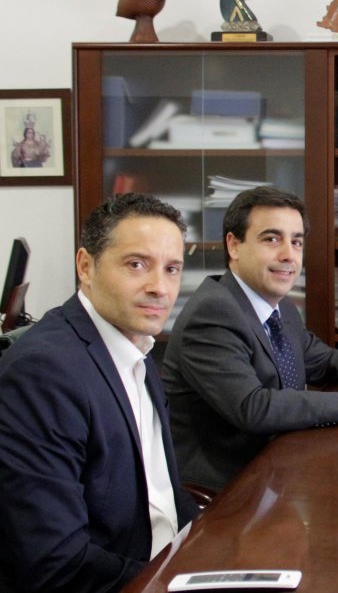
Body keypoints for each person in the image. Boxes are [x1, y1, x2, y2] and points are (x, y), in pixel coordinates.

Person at [162, 186, 338, 491]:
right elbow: (254, 408)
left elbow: (321, 359)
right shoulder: (213, 312)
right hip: (228, 493)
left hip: (279, 470)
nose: (288, 255)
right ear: (234, 245)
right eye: (271, 239)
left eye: (296, 242)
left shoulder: (278, 307)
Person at [0, 193, 199, 591]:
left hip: (170, 563)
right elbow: (56, 562)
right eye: (136, 264)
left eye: (172, 269)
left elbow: (165, 492)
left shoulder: (137, 348)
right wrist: (170, 585)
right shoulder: (42, 375)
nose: (160, 287)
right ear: (85, 266)